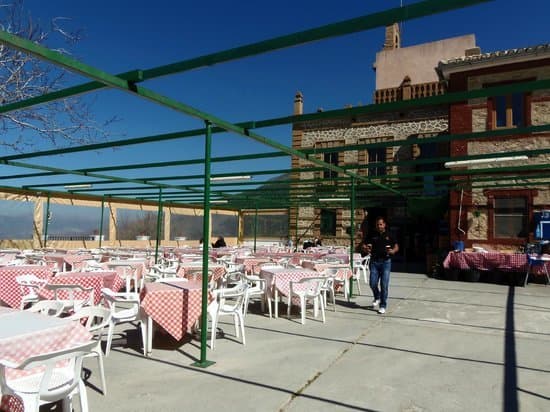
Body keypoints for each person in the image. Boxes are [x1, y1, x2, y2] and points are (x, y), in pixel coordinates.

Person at [366, 216, 399, 314]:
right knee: (372, 283)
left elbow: (396, 246)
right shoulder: (372, 234)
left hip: (386, 262)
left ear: (384, 224)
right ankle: (377, 296)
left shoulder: (390, 234)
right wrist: (366, 248)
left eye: (380, 224)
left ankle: (383, 305)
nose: (379, 226)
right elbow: (365, 244)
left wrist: (393, 251)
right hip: (374, 262)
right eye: (377, 224)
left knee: (384, 285)